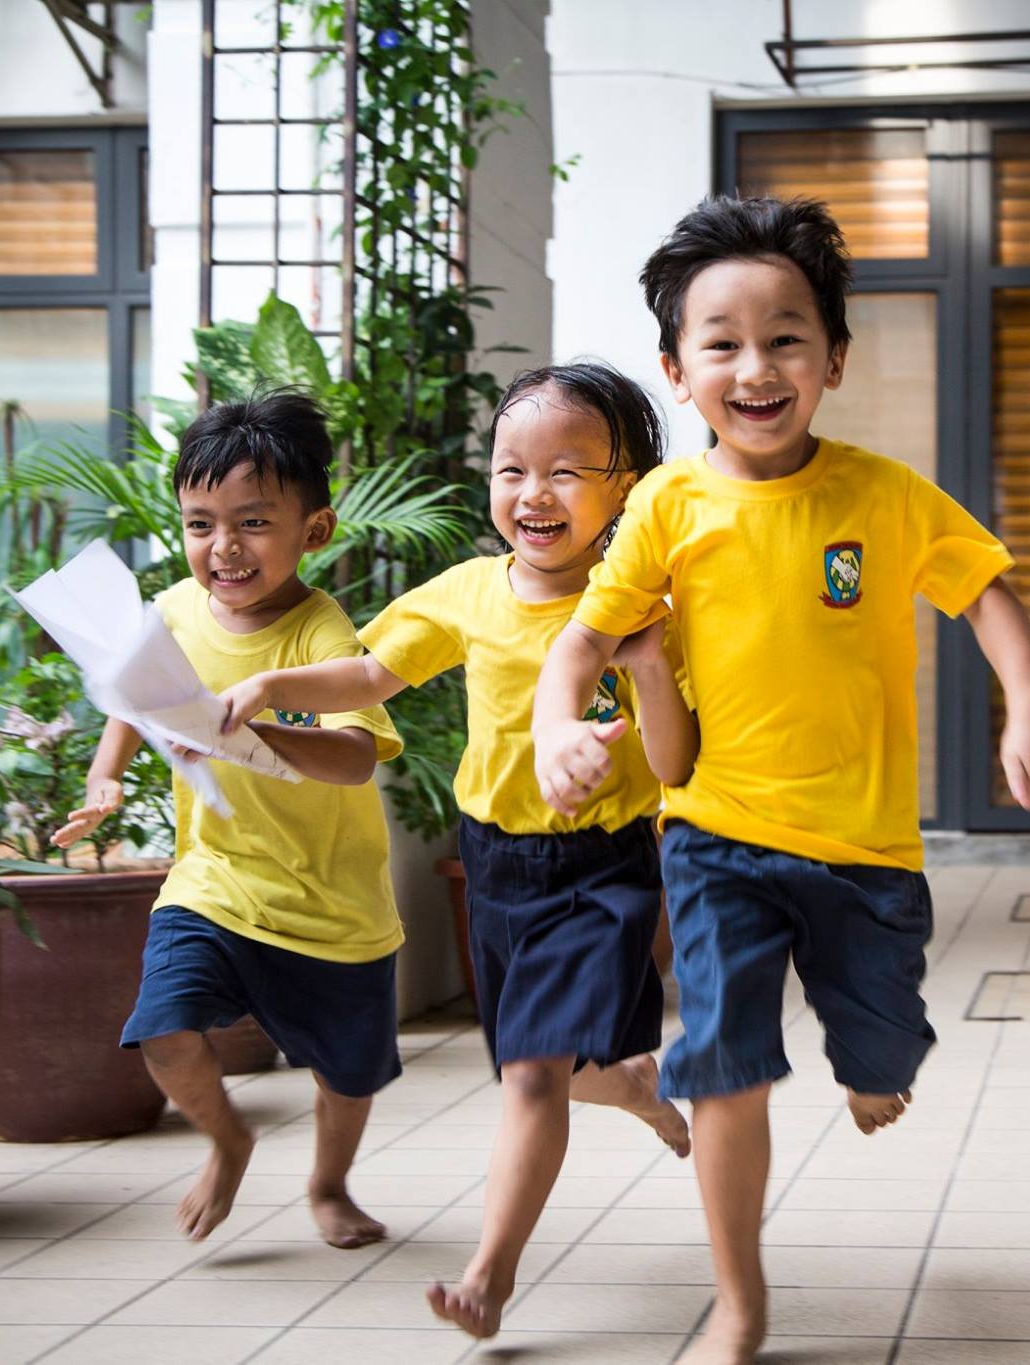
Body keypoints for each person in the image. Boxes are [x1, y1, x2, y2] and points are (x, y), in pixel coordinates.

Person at [529, 195, 1030, 1363]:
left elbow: (985, 592)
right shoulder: (669, 504)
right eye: (719, 342)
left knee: (880, 1045)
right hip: (716, 836)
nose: (755, 364)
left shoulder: (879, 495)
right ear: (677, 371)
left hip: (866, 847)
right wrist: (553, 728)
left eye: (784, 336)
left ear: (833, 356)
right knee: (725, 1063)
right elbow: (584, 636)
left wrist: (1026, 707)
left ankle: (875, 1067)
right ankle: (739, 1298)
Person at [214, 363, 695, 1340]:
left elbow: (673, 760)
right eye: (512, 469)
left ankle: (489, 1276)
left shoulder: (647, 609)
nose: (533, 493)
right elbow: (371, 672)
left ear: (628, 487)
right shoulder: (473, 592)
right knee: (547, 1066)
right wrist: (271, 690)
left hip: (603, 868)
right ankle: (637, 1087)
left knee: (529, 1076)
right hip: (495, 867)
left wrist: (643, 668)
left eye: (566, 471)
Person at [56, 387, 406, 1250]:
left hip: (334, 906)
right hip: (212, 881)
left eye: (252, 522)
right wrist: (105, 782)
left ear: (313, 530)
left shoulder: (322, 634)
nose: (225, 548)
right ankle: (228, 1139)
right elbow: (133, 702)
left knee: (346, 1074)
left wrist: (255, 734)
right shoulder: (173, 610)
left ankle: (328, 1183)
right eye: (201, 523)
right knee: (164, 1029)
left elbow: (358, 753)